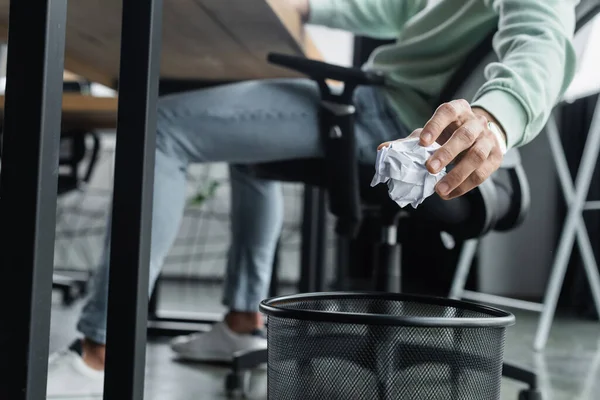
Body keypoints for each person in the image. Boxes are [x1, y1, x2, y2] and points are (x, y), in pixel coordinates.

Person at [46, 0, 578, 397]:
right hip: (386, 101)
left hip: (388, 115)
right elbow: (403, 11)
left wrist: (495, 117)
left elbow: (544, 38)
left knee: (160, 126)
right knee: (243, 152)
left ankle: (100, 353)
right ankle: (239, 324)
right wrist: (308, 6)